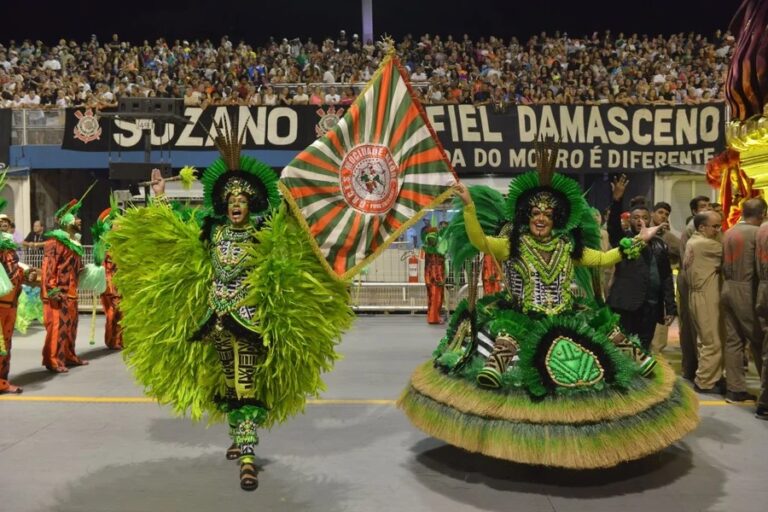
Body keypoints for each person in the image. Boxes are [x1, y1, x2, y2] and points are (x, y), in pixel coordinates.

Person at [399, 147, 698, 469]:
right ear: (528, 217)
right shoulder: (512, 244)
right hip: (521, 318)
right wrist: (469, 208)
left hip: (566, 316)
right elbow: (480, 242)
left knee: (612, 347)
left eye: (547, 215)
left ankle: (582, 437)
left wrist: (639, 240)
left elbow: (603, 258)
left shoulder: (568, 246)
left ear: (556, 219)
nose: (541, 219)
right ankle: (514, 433)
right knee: (503, 353)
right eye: (535, 214)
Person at [106, 126, 351, 491]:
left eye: (243, 199)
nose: (236, 203)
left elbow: (291, 240)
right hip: (217, 319)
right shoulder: (213, 233)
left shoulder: (261, 234)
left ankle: (248, 455)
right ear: (224, 204)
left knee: (246, 383)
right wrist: (160, 198)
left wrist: (296, 202)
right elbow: (176, 238)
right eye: (231, 199)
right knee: (230, 383)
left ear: (252, 205)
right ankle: (239, 436)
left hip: (249, 321)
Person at [607, 175, 676, 351]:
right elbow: (613, 227)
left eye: (644, 217)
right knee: (623, 348)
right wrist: (617, 200)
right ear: (630, 221)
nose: (641, 221)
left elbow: (666, 277)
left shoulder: (660, 245)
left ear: (650, 219)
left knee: (644, 349)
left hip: (651, 307)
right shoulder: (624, 241)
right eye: (636, 218)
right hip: (626, 306)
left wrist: (670, 307)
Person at [721, 198, 766, 402]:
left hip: (727, 287)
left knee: (734, 340)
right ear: (762, 213)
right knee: (759, 340)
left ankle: (735, 389)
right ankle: (766, 391)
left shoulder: (729, 232)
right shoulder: (757, 233)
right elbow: (759, 266)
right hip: (746, 289)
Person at [684, 211, 725, 394]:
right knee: (712, 342)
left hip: (697, 295)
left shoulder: (693, 241)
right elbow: (729, 249)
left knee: (704, 340)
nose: (718, 230)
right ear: (701, 227)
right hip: (705, 296)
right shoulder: (706, 244)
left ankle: (710, 376)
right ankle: (705, 381)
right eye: (715, 226)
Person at [678, 195, 712, 380]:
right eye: (702, 206)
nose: (707, 208)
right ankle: (697, 370)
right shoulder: (695, 228)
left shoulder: (698, 226)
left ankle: (691, 369)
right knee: (695, 327)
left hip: (692, 281)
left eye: (708, 205)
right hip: (692, 282)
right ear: (694, 211)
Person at [0, 178, 27, 394]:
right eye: (0, 224)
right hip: (2, 303)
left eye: (6, 224)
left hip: (11, 303)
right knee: (2, 344)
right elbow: (9, 274)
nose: (3, 226)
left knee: (7, 344)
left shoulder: (9, 247)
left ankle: (3, 379)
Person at [423, 227, 446, 324]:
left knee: (431, 297)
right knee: (436, 297)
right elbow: (437, 264)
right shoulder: (437, 249)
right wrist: (440, 278)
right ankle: (434, 318)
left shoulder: (427, 246)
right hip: (436, 275)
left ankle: (431, 316)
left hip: (428, 275)